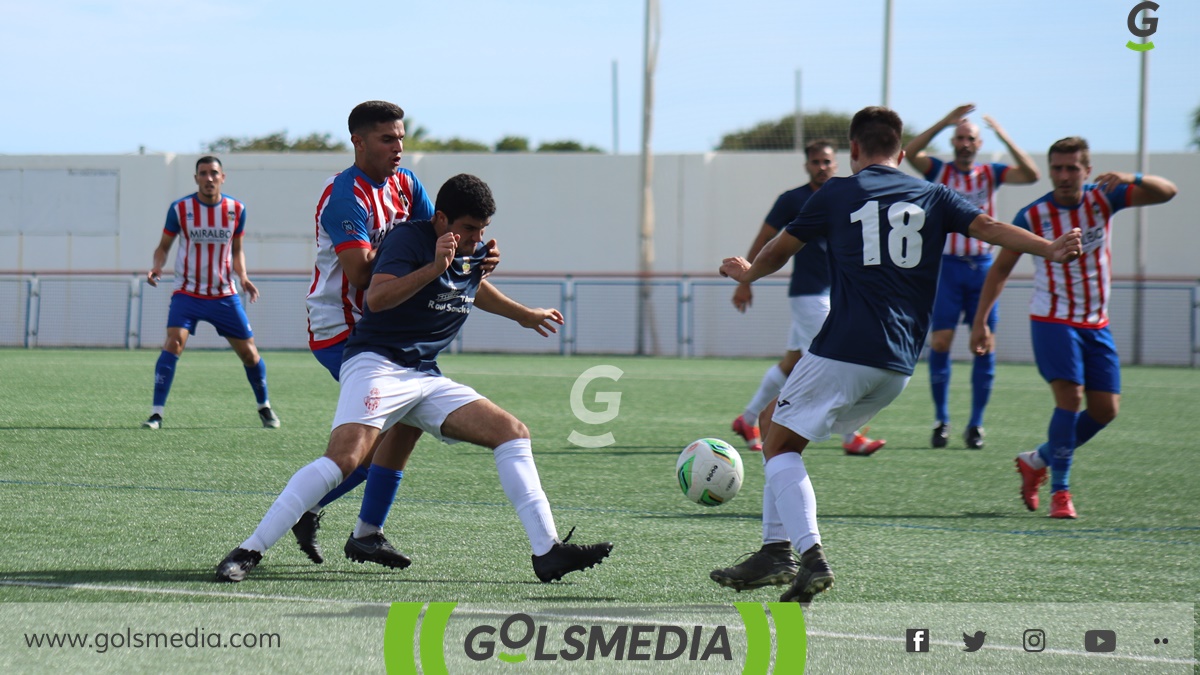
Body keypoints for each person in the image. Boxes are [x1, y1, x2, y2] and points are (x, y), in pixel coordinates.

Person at [714, 107, 1081, 605]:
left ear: (854, 150)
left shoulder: (838, 192)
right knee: (773, 419)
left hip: (844, 348)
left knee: (777, 446)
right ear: (902, 153)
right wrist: (1051, 249)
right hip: (898, 363)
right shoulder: (933, 194)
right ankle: (774, 550)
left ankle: (805, 554)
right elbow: (991, 227)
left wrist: (749, 273)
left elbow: (782, 247)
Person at [216, 174, 612, 583]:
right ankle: (250, 549)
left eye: (483, 229)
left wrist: (524, 314)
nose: (477, 238)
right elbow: (377, 298)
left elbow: (470, 287)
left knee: (512, 432)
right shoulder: (408, 241)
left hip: (424, 374)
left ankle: (547, 551)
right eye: (469, 228)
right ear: (441, 219)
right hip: (377, 364)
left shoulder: (464, 248)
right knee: (347, 459)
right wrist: (435, 266)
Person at [289, 100, 497, 565]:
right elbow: (362, 276)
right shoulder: (345, 196)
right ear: (358, 142)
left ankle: (361, 530)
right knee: (370, 444)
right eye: (387, 139)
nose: (398, 147)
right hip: (343, 329)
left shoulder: (406, 184)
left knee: (400, 433)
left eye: (402, 137)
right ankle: (317, 516)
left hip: (393, 330)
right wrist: (431, 264)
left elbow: (440, 241)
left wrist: (471, 259)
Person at [970, 137, 1177, 519]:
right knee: (1071, 398)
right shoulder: (1033, 216)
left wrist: (1132, 176)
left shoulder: (1105, 199)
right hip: (1052, 318)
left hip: (1096, 322)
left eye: (1071, 168)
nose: (1064, 176)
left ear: (1086, 169)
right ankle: (1061, 492)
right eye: (1057, 168)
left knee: (1106, 410)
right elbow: (1000, 269)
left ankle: (1037, 459)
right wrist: (981, 321)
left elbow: (1168, 192)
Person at [731, 139, 887, 458]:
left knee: (791, 364)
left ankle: (747, 420)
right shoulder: (793, 199)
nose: (822, 167)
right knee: (839, 359)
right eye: (815, 162)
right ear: (806, 165)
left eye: (827, 161)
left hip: (836, 293)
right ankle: (851, 437)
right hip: (809, 295)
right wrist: (746, 281)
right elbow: (764, 238)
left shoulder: (847, 196)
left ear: (837, 163)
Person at [904, 104, 1041, 449]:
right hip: (947, 268)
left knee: (984, 344)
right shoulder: (938, 170)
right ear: (954, 142)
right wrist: (943, 122)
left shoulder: (990, 173)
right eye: (959, 137)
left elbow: (1032, 174)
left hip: (982, 269)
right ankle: (942, 420)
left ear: (979, 144)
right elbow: (911, 153)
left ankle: (977, 424)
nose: (964, 143)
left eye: (970, 138)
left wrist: (1004, 136)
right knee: (940, 342)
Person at [142, 156, 279, 430]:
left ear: (222, 177)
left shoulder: (236, 209)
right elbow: (164, 246)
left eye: (213, 173)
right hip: (188, 293)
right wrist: (157, 266)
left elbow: (237, 251)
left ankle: (264, 406)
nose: (209, 178)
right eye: (203, 173)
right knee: (173, 343)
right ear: (196, 179)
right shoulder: (180, 209)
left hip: (223, 295)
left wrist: (243, 278)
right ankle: (156, 413)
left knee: (250, 354)